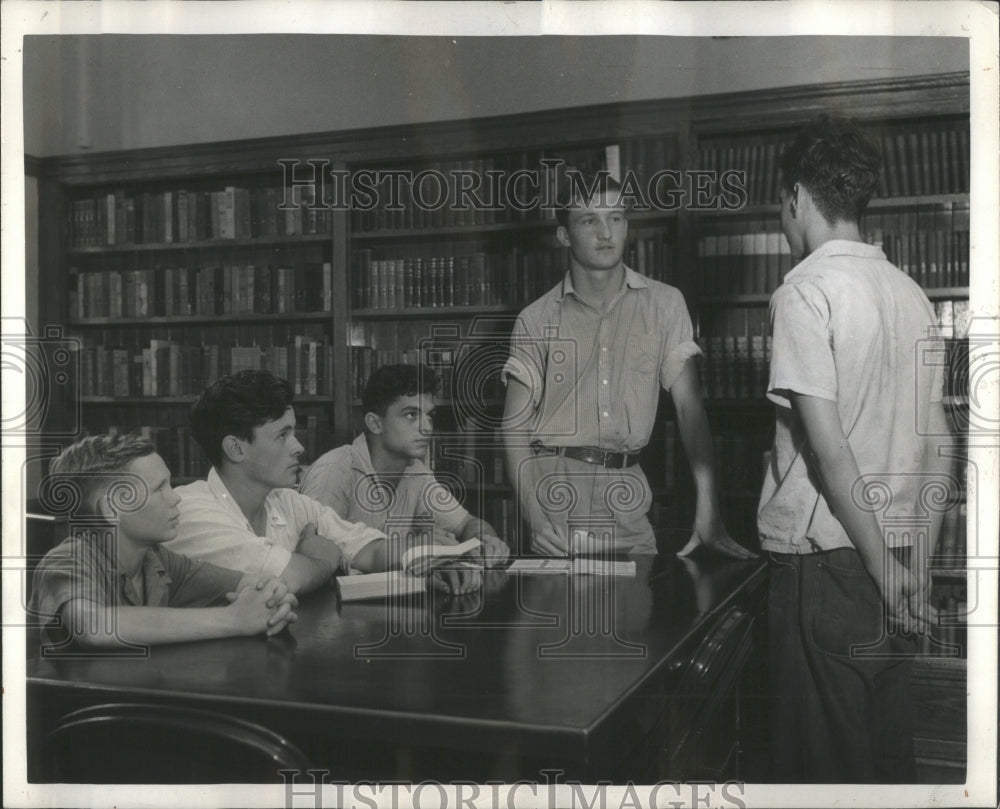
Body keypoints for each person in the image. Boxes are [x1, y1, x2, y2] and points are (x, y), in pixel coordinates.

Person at [760, 115, 952, 782]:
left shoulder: (804, 291)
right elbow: (940, 442)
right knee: (885, 762)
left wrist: (877, 566)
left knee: (822, 772)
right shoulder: (913, 294)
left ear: (796, 199)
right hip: (898, 558)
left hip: (831, 566)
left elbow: (830, 449)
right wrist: (913, 567)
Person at [502, 172, 751, 559]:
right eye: (589, 220)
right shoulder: (535, 319)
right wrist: (536, 519)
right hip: (556, 495)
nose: (606, 232)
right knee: (560, 615)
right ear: (564, 235)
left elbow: (689, 409)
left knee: (638, 614)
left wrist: (709, 506)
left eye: (615, 218)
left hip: (629, 493)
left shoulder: (665, 304)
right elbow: (513, 428)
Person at [167, 370, 479, 595]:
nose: (299, 447)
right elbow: (291, 577)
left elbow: (368, 549)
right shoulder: (191, 511)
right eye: (282, 436)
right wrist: (324, 556)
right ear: (236, 448)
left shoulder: (286, 501)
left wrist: (431, 559)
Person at [29, 434, 298, 648]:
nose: (175, 498)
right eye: (159, 488)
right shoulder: (66, 561)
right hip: (73, 713)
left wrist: (272, 596)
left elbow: (251, 582)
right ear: (111, 508)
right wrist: (234, 619)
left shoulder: (157, 560)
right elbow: (94, 625)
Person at [299, 364, 510, 566]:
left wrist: (485, 541)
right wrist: (412, 547)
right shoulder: (334, 471)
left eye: (429, 415)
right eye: (411, 415)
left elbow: (466, 523)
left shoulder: (417, 471)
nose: (427, 428)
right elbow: (311, 556)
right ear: (375, 423)